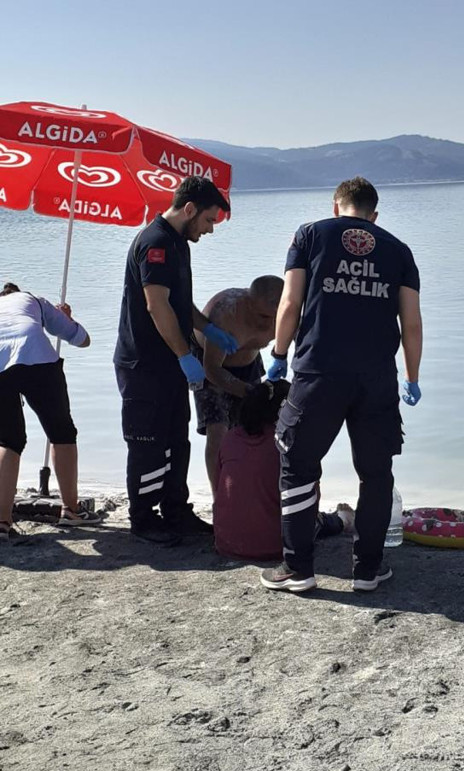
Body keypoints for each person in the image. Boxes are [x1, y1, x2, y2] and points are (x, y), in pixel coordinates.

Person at [260, 176, 423, 594]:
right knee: (375, 473)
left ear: (336, 207)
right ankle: (368, 569)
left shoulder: (310, 235)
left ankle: (299, 570)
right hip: (376, 378)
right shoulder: (398, 249)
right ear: (374, 214)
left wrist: (278, 357)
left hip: (318, 372)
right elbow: (412, 322)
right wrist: (412, 376)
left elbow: (290, 302)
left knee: (297, 467)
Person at [113, 176, 238, 545]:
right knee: (147, 442)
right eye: (209, 220)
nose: (211, 230)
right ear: (189, 210)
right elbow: (156, 305)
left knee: (176, 440)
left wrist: (209, 329)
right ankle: (143, 516)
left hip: (170, 363)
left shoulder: (178, 244)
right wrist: (186, 355)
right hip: (144, 364)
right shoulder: (155, 244)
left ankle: (176, 509)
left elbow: (180, 304)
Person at [0, 282, 99, 540]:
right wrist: (67, 318)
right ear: (17, 293)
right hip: (36, 356)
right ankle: (71, 511)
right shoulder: (34, 300)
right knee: (62, 433)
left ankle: (1, 521)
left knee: (9, 441)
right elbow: (82, 339)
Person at [213, 380, 353, 560]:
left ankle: (340, 517)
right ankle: (344, 519)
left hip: (227, 542)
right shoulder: (289, 443)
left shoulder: (230, 438)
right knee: (319, 519)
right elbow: (309, 506)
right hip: (276, 545)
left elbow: (219, 490)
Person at [192, 275, 284, 495]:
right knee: (218, 431)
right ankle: (220, 498)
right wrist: (245, 391)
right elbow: (212, 369)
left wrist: (282, 358)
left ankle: (250, 487)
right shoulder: (226, 313)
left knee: (252, 429)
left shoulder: (287, 313)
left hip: (250, 363)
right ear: (249, 303)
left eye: (274, 317)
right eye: (262, 315)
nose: (266, 324)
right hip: (210, 365)